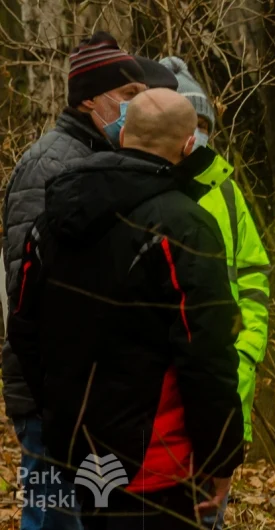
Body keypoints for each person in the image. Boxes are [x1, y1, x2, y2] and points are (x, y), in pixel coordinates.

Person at [7, 88, 244, 529]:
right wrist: (220, 457)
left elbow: (24, 326)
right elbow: (207, 351)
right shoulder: (186, 224)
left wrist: (60, 411)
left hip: (76, 449)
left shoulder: (51, 217)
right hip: (156, 461)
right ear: (190, 145)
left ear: (122, 135)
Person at [1, 31, 148, 530]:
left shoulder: (104, 158)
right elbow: (28, 293)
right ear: (90, 99)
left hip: (92, 395)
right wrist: (55, 393)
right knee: (53, 519)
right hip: (53, 398)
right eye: (127, 96)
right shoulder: (49, 164)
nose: (137, 107)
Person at [158, 55, 272, 529]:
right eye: (190, 120)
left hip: (221, 386)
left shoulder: (227, 191)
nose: (198, 131)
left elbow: (253, 281)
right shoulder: (140, 189)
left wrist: (242, 353)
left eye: (204, 121)